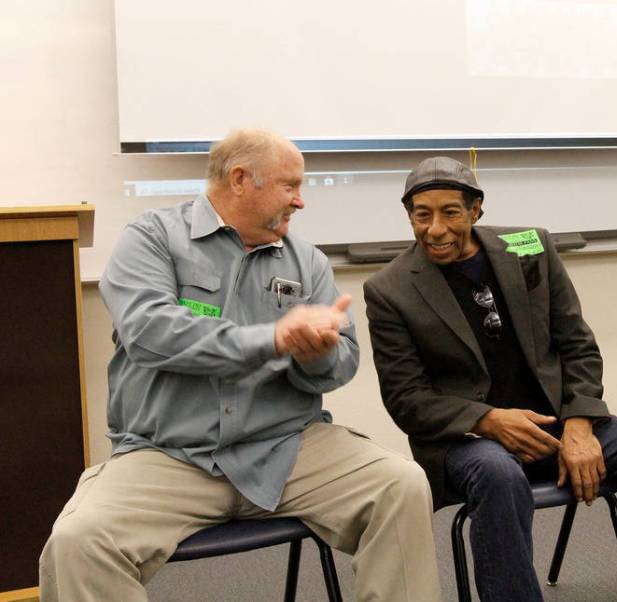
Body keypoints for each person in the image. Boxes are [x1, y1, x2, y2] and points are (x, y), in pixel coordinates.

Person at [39, 128, 442, 602]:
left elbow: (345, 360)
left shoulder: (306, 260)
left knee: (400, 485)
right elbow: (149, 333)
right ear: (239, 179)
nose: (300, 201)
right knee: (77, 543)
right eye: (289, 186)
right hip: (170, 454)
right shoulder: (152, 238)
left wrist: (317, 356)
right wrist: (272, 339)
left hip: (286, 448)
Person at [363, 156, 617, 602]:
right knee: (499, 473)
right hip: (468, 441)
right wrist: (489, 420)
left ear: (476, 210)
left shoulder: (531, 247)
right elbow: (406, 398)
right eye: (421, 215)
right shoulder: (389, 290)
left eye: (450, 212)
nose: (436, 229)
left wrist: (580, 424)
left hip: (560, 424)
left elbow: (577, 344)